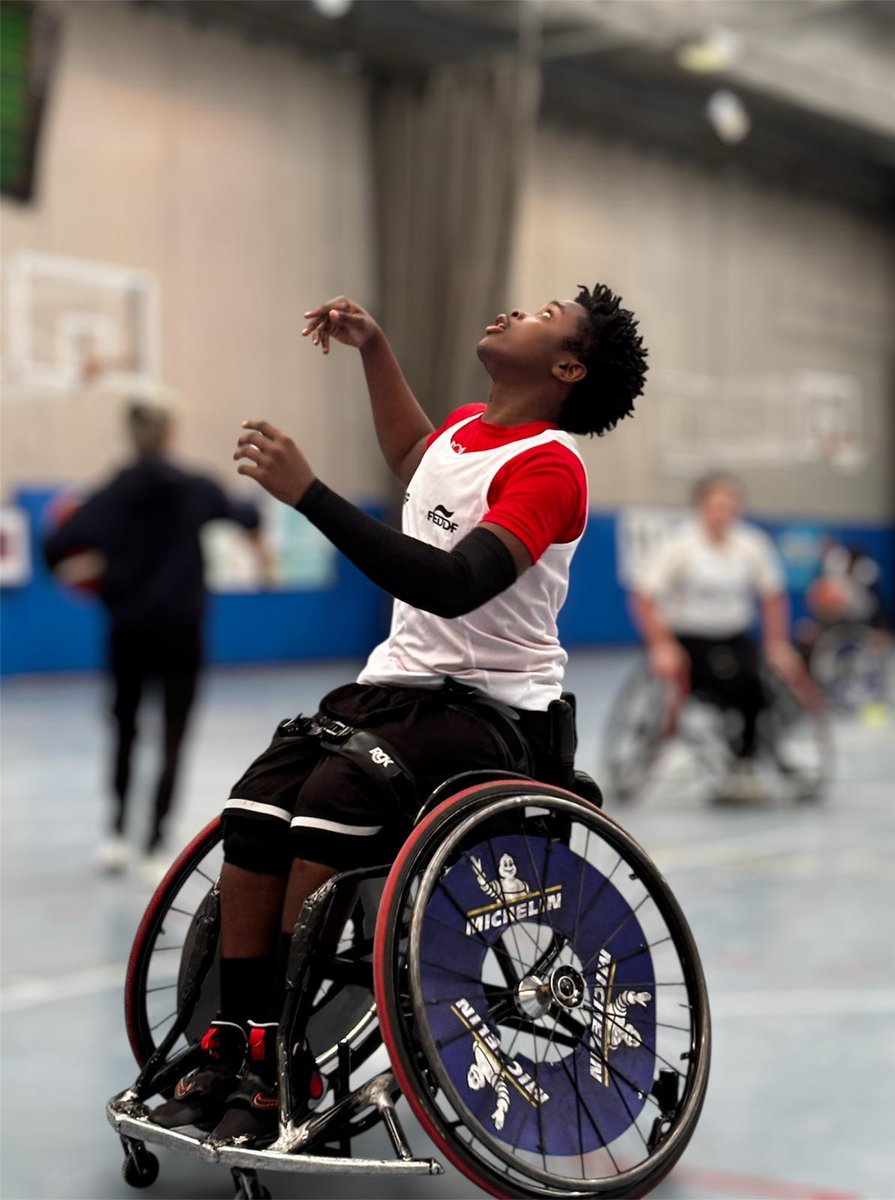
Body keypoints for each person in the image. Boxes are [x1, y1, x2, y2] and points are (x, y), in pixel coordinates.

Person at [149, 284, 648, 1145]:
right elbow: (418, 454)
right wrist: (375, 349)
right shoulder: (464, 429)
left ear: (567, 367)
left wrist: (311, 495)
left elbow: (451, 586)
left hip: (492, 711)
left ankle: (284, 1060)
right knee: (257, 803)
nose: (513, 311)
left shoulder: (552, 467)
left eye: (543, 315)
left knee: (333, 803)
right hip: (392, 690)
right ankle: (237, 1038)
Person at [44, 399, 267, 880]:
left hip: (127, 633)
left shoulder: (108, 496)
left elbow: (55, 549)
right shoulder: (198, 489)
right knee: (173, 735)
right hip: (181, 633)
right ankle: (154, 842)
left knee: (124, 732)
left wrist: (95, 569)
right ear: (170, 433)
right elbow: (248, 517)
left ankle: (118, 834)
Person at [631, 472, 808, 795]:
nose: (722, 513)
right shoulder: (680, 545)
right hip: (690, 640)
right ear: (701, 507)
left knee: (764, 687)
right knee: (735, 684)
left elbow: (772, 596)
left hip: (736, 636)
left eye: (729, 506)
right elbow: (644, 596)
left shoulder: (752, 544)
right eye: (716, 506)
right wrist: (661, 646)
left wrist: (777, 643)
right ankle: (734, 757)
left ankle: (746, 758)